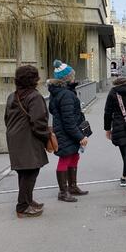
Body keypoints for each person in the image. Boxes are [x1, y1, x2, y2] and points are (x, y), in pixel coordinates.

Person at [4, 65, 49, 218]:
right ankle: (22, 206)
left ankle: (28, 200)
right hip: (28, 139)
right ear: (33, 80)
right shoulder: (34, 96)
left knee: (24, 171)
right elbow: (39, 122)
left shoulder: (12, 96)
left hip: (14, 138)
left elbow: (6, 119)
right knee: (31, 171)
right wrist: (46, 137)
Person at [48, 60, 89, 202]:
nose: (74, 77)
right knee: (65, 158)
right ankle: (63, 192)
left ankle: (72, 187)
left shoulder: (60, 92)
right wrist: (80, 137)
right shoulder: (66, 95)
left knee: (73, 156)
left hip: (65, 132)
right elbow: (69, 120)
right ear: (68, 78)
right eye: (73, 75)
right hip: (67, 133)